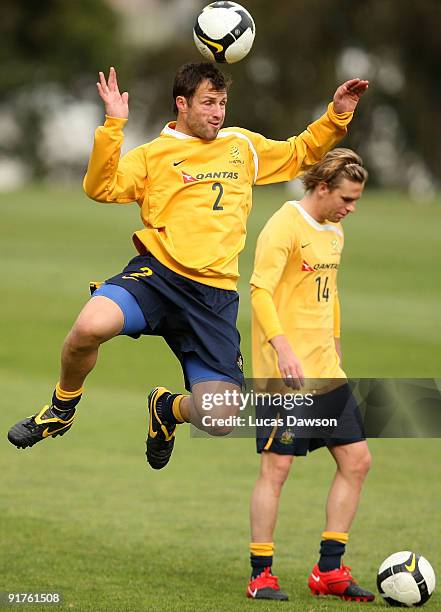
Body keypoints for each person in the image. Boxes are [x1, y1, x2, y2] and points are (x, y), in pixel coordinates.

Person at [7, 62, 368, 472]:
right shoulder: (153, 155)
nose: (218, 112)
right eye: (208, 103)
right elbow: (99, 187)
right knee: (89, 326)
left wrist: (338, 113)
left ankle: (167, 409)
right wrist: (113, 125)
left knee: (220, 417)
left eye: (223, 103)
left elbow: (300, 153)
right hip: (158, 276)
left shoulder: (241, 146)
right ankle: (61, 408)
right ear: (182, 103)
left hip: (213, 298)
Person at [246, 149, 374, 602]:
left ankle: (329, 571)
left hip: (326, 370)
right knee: (276, 469)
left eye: (355, 199)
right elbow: (260, 290)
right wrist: (281, 347)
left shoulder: (335, 230)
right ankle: (261, 574)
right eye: (346, 197)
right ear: (322, 188)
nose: (351, 207)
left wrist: (335, 340)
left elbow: (330, 290)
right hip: (286, 375)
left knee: (357, 462)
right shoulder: (284, 224)